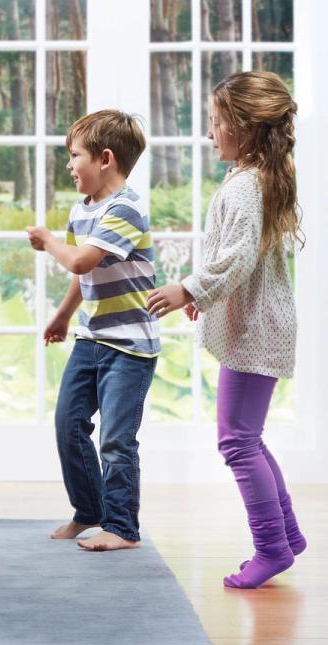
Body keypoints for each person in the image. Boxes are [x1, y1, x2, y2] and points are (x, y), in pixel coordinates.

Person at [148, 72, 305, 588]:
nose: (210, 133)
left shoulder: (247, 187)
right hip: (262, 322)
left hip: (257, 329)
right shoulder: (260, 178)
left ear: (246, 128)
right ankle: (285, 534)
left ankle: (272, 547)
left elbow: (235, 259)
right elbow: (241, 257)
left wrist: (189, 290)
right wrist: (207, 298)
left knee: (237, 442)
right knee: (248, 439)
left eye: (217, 123)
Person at [27, 110, 158, 552]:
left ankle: (122, 527)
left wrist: (48, 242)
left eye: (74, 155)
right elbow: (81, 275)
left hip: (130, 348)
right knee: (69, 423)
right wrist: (64, 315)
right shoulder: (81, 210)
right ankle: (89, 511)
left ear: (105, 158)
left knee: (117, 439)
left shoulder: (127, 208)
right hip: (92, 338)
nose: (69, 165)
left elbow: (81, 260)